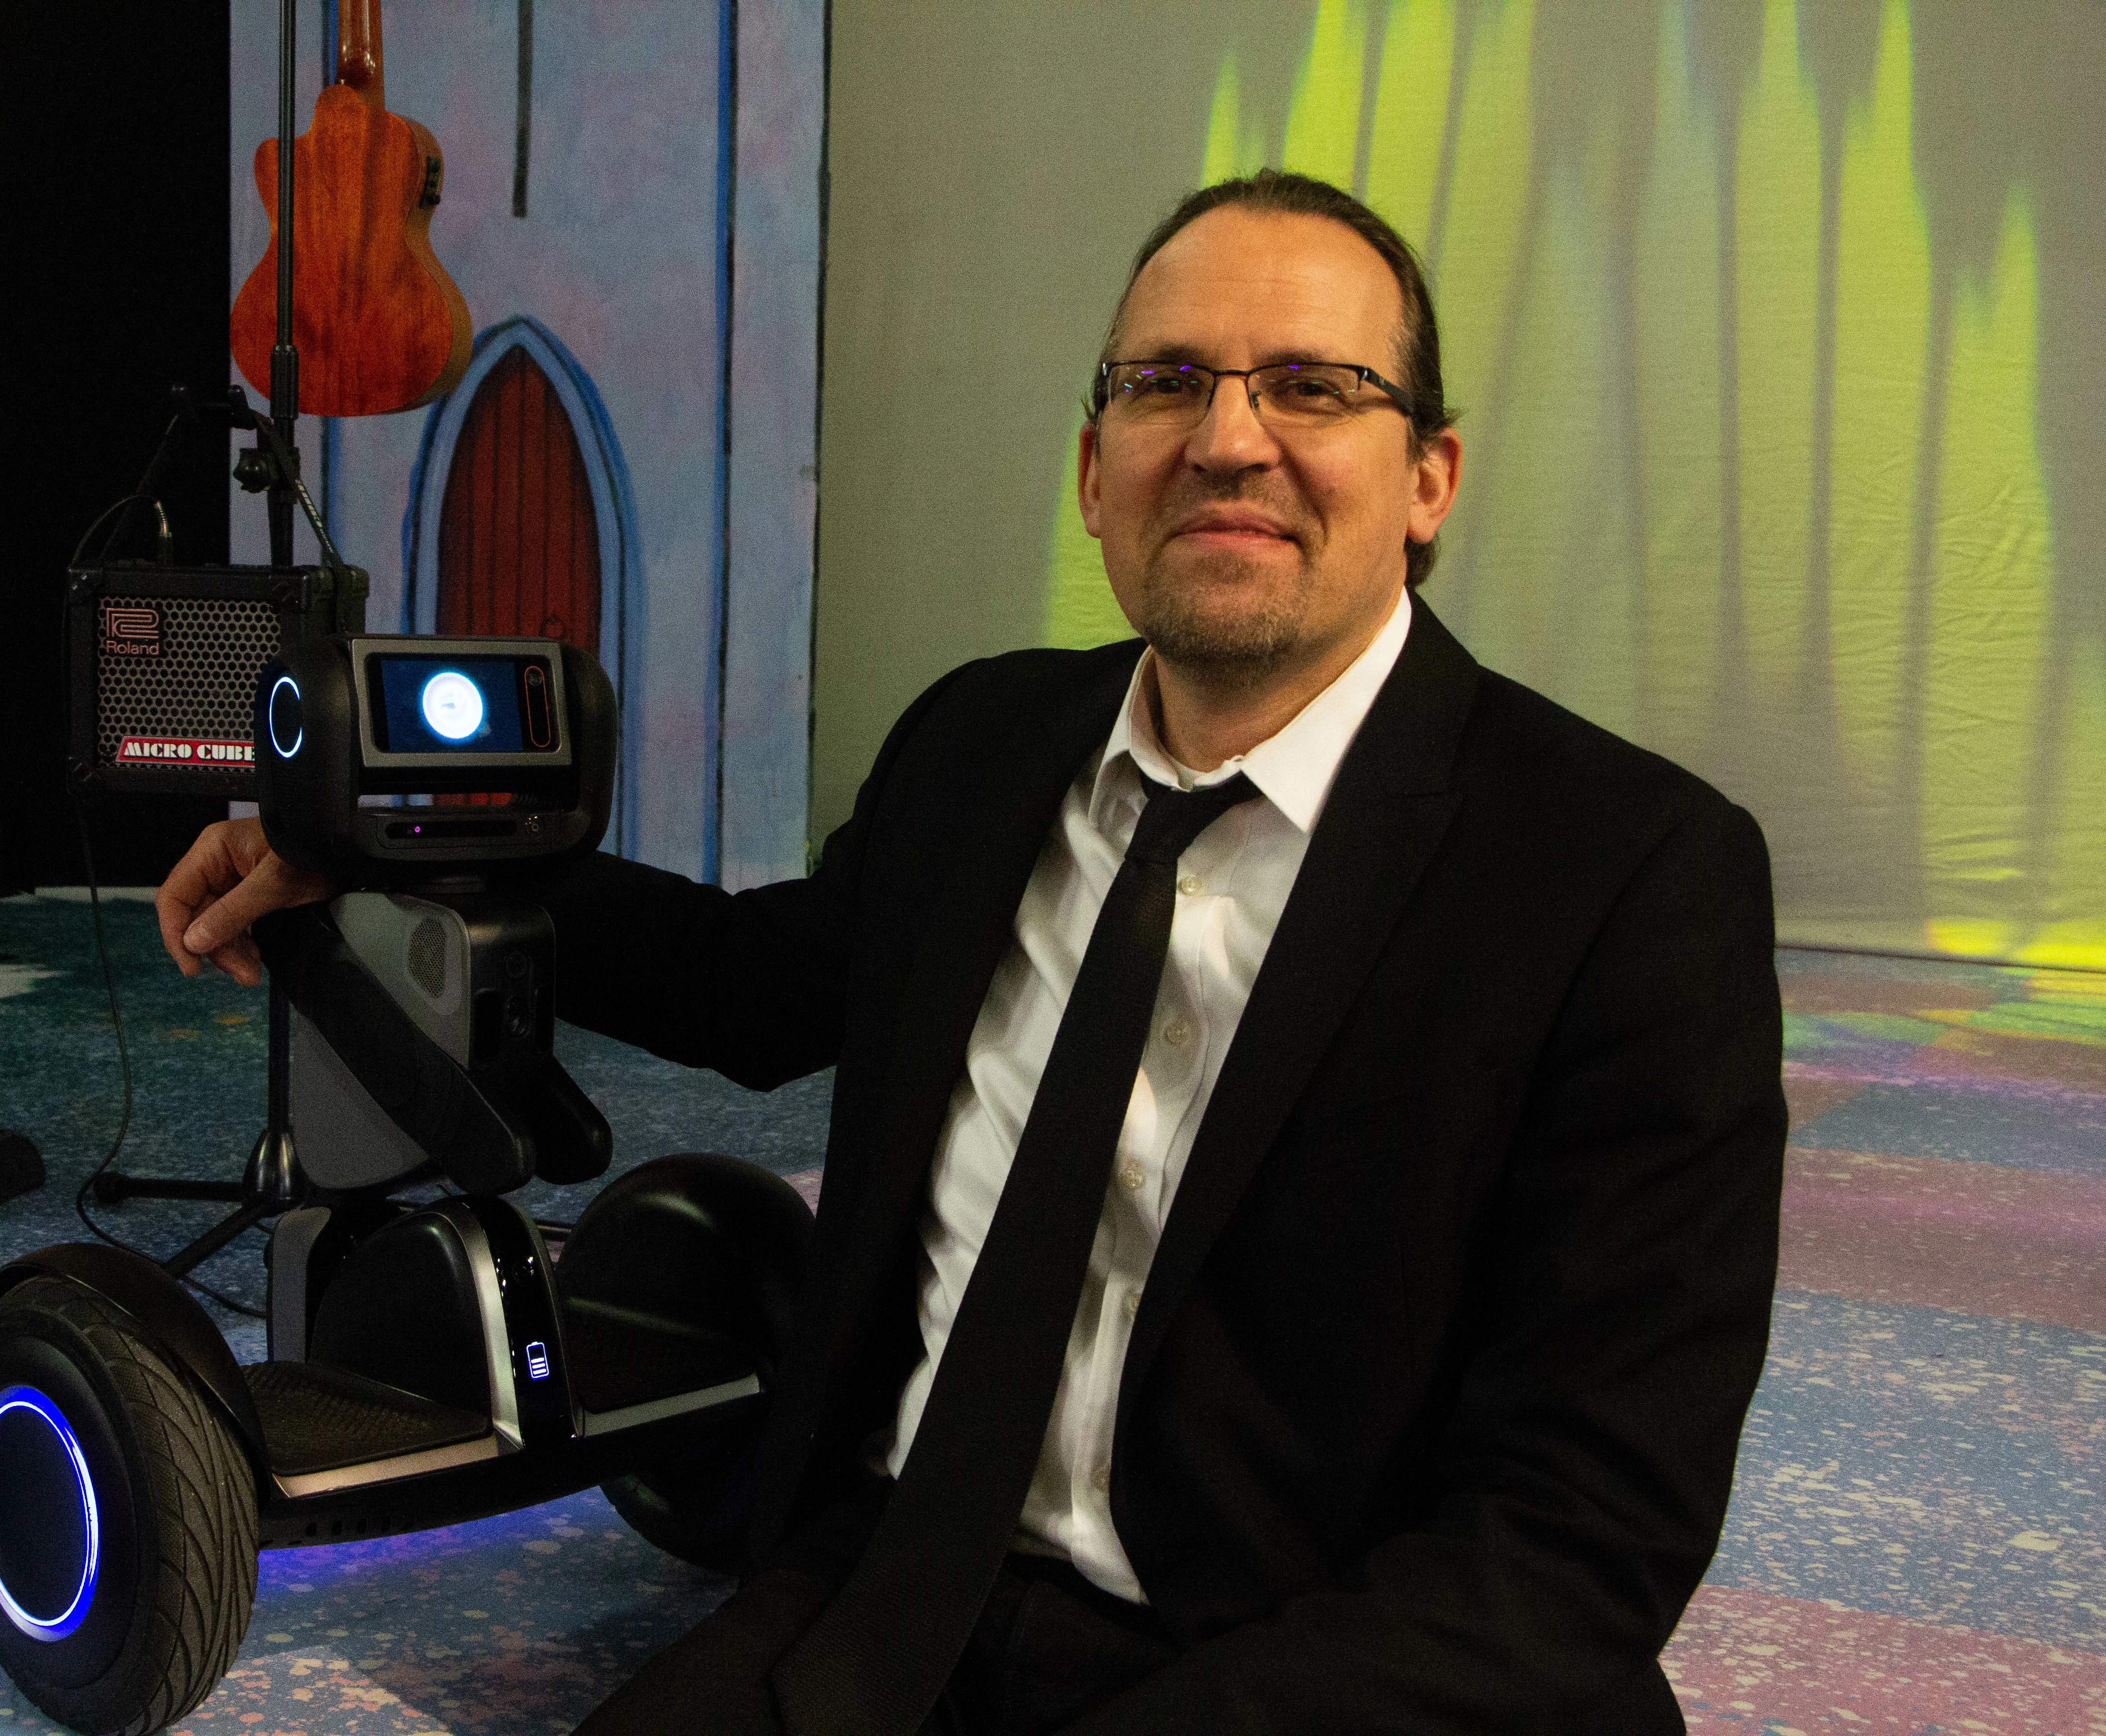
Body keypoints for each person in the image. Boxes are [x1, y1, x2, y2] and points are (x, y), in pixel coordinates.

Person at [157, 168, 1785, 1735]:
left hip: (1311, 1665)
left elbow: (1577, 1543)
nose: (1229, 439)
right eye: (1166, 384)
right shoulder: (985, 742)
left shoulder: (1627, 874)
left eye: (1311, 386)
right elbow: (750, 986)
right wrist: (368, 860)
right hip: (884, 1598)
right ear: (1094, 470)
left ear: (1428, 476)